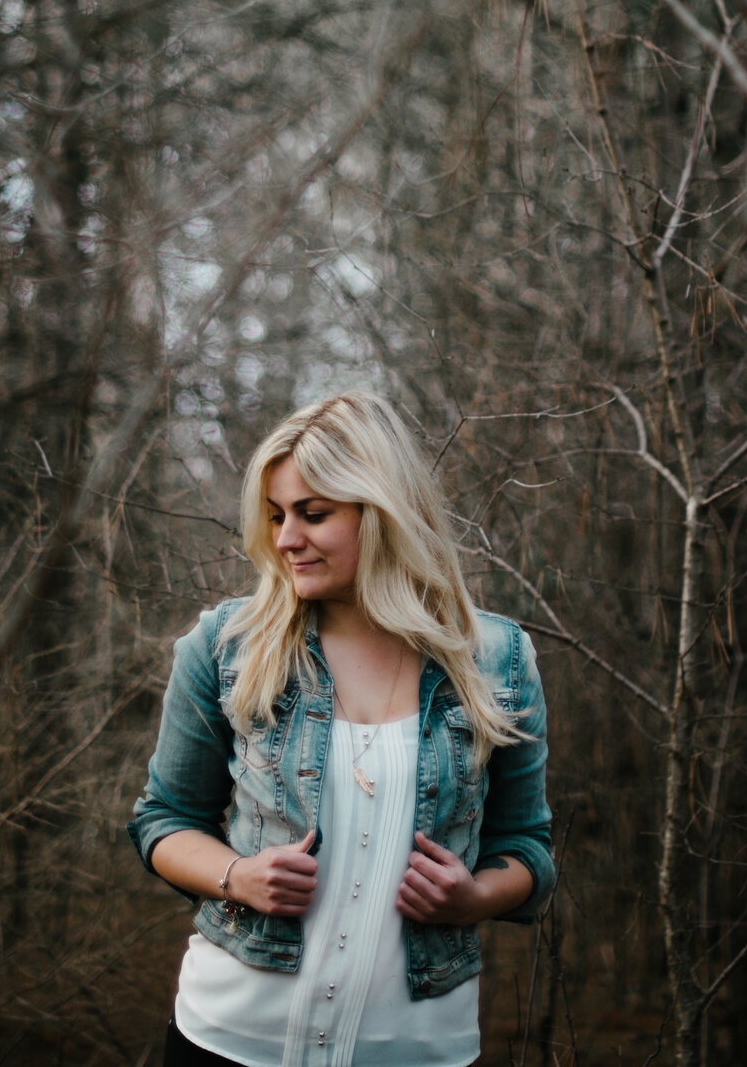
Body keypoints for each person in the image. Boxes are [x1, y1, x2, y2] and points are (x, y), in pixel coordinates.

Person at [128, 391, 556, 1067]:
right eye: (275, 516)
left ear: (380, 510)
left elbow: (527, 846)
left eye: (313, 513)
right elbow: (164, 819)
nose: (285, 537)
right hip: (229, 1042)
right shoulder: (225, 646)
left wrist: (472, 898)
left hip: (419, 1051)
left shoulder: (497, 660)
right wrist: (237, 874)